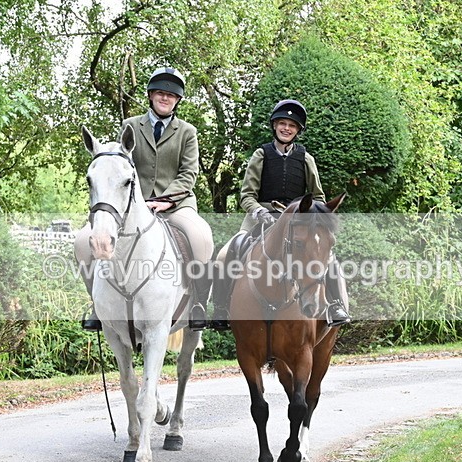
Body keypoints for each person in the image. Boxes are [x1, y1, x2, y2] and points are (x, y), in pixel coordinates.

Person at [75, 67, 214, 331]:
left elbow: (189, 172)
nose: (165, 98)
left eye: (171, 95)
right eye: (161, 93)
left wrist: (167, 200)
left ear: (177, 101)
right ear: (150, 96)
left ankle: (197, 303)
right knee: (83, 242)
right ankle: (97, 303)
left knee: (201, 237)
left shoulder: (187, 132)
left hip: (175, 205)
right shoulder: (130, 126)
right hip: (133, 206)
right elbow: (119, 167)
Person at [209, 99, 350, 329]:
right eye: (282, 123)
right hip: (262, 218)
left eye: (292, 125)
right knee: (226, 253)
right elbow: (246, 195)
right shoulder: (260, 155)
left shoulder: (306, 159)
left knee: (328, 257)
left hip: (299, 222)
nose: (286, 128)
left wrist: (313, 217)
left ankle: (335, 304)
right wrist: (259, 211)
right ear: (274, 126)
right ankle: (222, 308)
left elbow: (318, 197)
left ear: (297, 131)